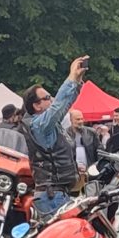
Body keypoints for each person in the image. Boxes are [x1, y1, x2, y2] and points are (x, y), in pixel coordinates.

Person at [23, 56, 91, 219]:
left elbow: (64, 105)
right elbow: (59, 105)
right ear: (36, 105)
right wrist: (71, 78)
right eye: (47, 98)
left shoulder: (51, 126)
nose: (52, 99)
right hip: (52, 196)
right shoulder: (39, 125)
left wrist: (77, 81)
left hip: (58, 194)